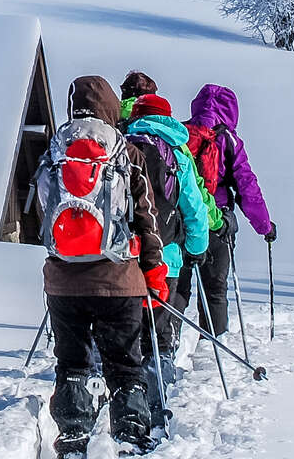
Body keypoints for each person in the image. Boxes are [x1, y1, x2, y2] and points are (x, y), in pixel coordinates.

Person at [35, 75, 168, 457]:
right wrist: (153, 274)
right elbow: (147, 220)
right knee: (125, 365)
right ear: (111, 106)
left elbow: (43, 213)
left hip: (63, 282)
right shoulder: (125, 152)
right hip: (118, 280)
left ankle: (74, 435)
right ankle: (130, 436)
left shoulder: (56, 150)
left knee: (72, 362)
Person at [123, 84, 217, 403]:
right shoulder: (177, 152)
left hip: (125, 255)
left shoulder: (121, 147)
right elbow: (194, 206)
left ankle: (125, 395)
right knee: (159, 330)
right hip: (167, 256)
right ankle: (156, 398)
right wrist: (196, 249)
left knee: (127, 328)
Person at [185, 84, 274, 337]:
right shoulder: (229, 140)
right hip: (218, 224)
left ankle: (164, 348)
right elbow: (247, 187)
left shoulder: (181, 134)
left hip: (182, 220)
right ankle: (213, 344)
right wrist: (264, 226)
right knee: (215, 287)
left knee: (177, 288)